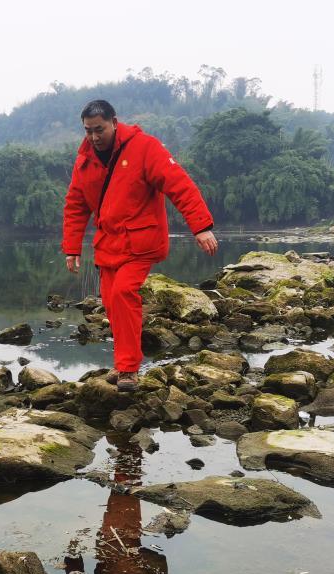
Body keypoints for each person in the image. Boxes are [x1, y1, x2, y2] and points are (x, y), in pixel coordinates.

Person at [62, 100, 217, 391]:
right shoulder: (85, 159)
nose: (94, 137)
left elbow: (178, 184)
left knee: (123, 293)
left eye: (99, 129)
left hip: (141, 242)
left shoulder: (145, 148)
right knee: (111, 302)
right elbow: (76, 205)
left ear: (115, 122)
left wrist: (202, 227)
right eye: (88, 131)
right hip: (108, 244)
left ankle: (129, 370)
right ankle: (124, 364)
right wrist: (72, 247)